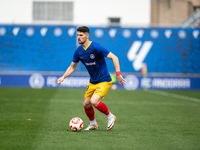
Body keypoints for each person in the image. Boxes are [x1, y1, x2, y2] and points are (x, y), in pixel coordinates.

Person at [57, 26, 126, 131]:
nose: (78, 38)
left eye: (81, 35)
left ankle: (110, 116)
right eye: (77, 35)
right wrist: (63, 77)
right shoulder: (78, 52)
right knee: (86, 104)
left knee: (94, 101)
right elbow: (72, 67)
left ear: (87, 35)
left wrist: (118, 74)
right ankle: (93, 124)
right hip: (93, 82)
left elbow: (114, 57)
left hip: (104, 80)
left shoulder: (96, 47)